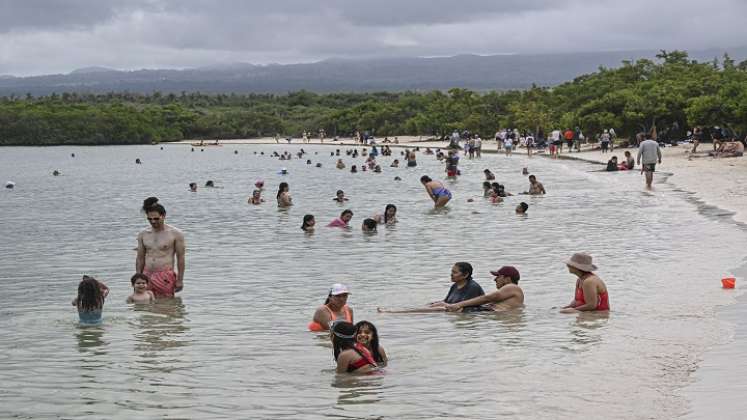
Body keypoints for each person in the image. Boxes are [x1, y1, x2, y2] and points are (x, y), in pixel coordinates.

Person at [377, 262, 485, 313]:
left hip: (463, 311)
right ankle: (404, 310)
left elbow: (460, 307)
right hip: (450, 309)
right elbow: (447, 301)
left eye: (455, 272)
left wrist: (443, 305)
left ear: (465, 275)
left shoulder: (472, 287)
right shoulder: (455, 286)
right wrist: (436, 303)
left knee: (440, 307)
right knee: (433, 304)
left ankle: (396, 312)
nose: (451, 274)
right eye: (451, 272)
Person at [136, 197, 186, 298]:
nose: (153, 222)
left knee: (167, 306)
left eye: (156, 218)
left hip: (165, 275)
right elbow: (140, 258)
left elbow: (181, 258)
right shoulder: (143, 234)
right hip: (146, 275)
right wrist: (138, 277)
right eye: (149, 219)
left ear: (163, 216)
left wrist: (180, 280)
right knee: (145, 304)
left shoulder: (176, 234)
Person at [445, 266, 524, 312]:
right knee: (442, 307)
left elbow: (488, 298)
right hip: (486, 313)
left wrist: (459, 304)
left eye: (498, 276)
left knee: (443, 309)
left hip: (486, 313)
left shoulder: (512, 287)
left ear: (507, 279)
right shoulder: (510, 292)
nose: (495, 279)